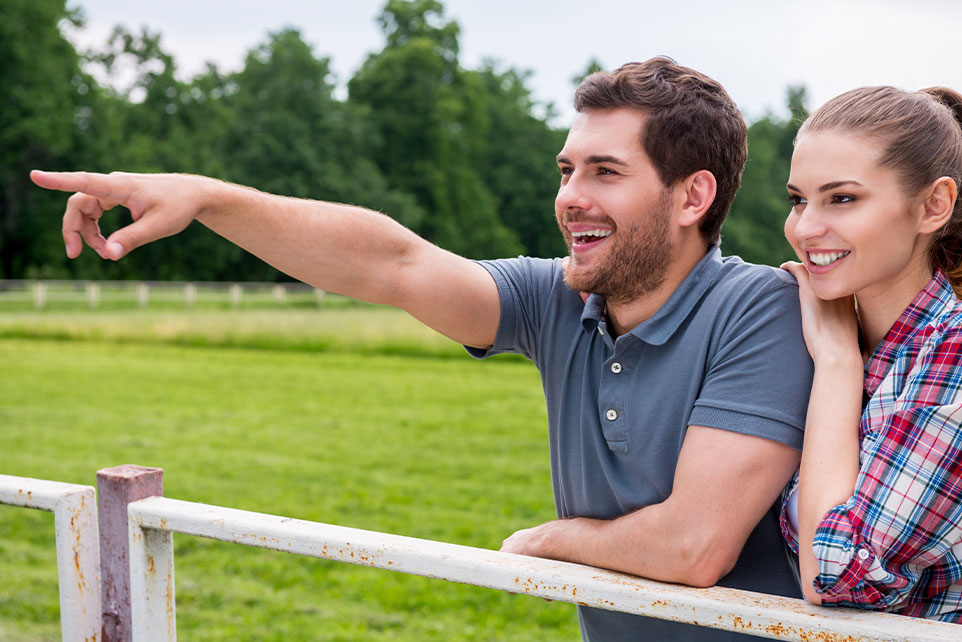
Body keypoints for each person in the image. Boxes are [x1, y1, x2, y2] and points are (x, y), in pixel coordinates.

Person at [32, 58, 814, 641]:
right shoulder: (559, 298)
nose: (570, 194)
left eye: (605, 172)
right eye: (568, 168)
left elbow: (692, 546)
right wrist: (208, 198)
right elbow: (392, 262)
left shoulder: (758, 309)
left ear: (693, 196)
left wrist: (546, 542)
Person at [780, 85, 962, 622]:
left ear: (933, 205)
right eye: (798, 199)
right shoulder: (808, 329)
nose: (805, 227)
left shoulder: (951, 356)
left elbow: (833, 575)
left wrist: (837, 360)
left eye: (842, 198)